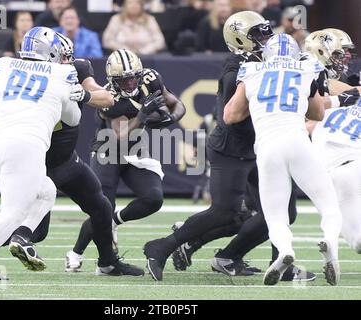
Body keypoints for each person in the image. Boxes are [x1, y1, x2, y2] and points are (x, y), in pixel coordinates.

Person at [142, 11, 309, 282]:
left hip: (260, 146)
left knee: (282, 211)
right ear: (240, 40)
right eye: (258, 34)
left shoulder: (261, 62)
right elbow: (232, 116)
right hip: (233, 148)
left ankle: (240, 258)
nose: (266, 38)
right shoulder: (238, 69)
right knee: (225, 211)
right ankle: (162, 246)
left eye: (266, 31)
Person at [0, 33, 145, 277]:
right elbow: (66, 115)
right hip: (34, 156)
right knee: (36, 231)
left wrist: (84, 95)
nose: (67, 60)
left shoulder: (74, 69)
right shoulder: (43, 74)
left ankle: (108, 262)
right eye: (63, 55)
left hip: (62, 159)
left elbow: (105, 98)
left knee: (101, 206)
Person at [0, 27, 81, 280]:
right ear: (49, 52)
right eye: (60, 54)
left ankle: (22, 236)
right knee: (13, 210)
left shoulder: (5, 68)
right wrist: (74, 95)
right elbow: (73, 118)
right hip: (25, 146)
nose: (64, 59)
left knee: (46, 191)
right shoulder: (62, 75)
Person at [223, 33, 342, 286]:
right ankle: (330, 243)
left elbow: (230, 115)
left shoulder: (252, 70)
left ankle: (285, 251)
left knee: (276, 216)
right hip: (298, 141)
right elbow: (318, 113)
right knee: (329, 206)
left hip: (267, 147)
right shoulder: (307, 67)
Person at [65, 49, 186, 269]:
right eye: (124, 80)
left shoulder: (151, 78)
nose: (130, 84)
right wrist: (142, 115)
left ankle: (114, 221)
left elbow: (177, 104)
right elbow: (121, 133)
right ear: (113, 80)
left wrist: (170, 119)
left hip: (136, 150)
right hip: (108, 150)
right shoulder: (108, 96)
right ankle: (76, 253)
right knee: (103, 207)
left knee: (153, 198)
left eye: (133, 78)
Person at [310, 99, 361, 255]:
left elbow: (305, 127)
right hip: (355, 165)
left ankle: (330, 241)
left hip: (333, 174)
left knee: (358, 241)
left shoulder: (327, 113)